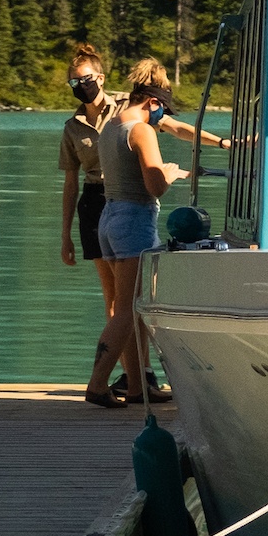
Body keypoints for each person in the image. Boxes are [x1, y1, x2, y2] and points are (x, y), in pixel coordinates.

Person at [84, 58, 185, 409]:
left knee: (127, 307)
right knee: (127, 309)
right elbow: (155, 186)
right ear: (152, 102)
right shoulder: (140, 130)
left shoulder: (112, 125)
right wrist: (170, 173)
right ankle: (97, 385)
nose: (162, 117)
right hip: (134, 221)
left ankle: (139, 387)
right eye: (162, 109)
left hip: (109, 219)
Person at [59, 43, 125, 374]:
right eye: (73, 82)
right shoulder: (72, 128)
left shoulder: (124, 108)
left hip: (125, 199)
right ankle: (129, 373)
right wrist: (65, 235)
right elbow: (70, 183)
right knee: (112, 297)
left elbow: (169, 125)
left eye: (84, 79)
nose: (80, 86)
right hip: (93, 202)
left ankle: (136, 372)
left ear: (100, 76)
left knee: (132, 295)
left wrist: (223, 142)